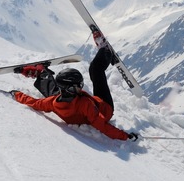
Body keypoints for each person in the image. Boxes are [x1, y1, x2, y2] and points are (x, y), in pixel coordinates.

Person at [11, 32, 139, 142]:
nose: (81, 88)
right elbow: (103, 126)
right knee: (95, 69)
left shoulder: (53, 102)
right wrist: (126, 136)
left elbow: (35, 103)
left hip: (72, 106)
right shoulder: (85, 104)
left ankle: (42, 73)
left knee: (53, 93)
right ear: (71, 89)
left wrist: (17, 95)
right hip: (104, 107)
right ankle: (106, 50)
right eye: (78, 86)